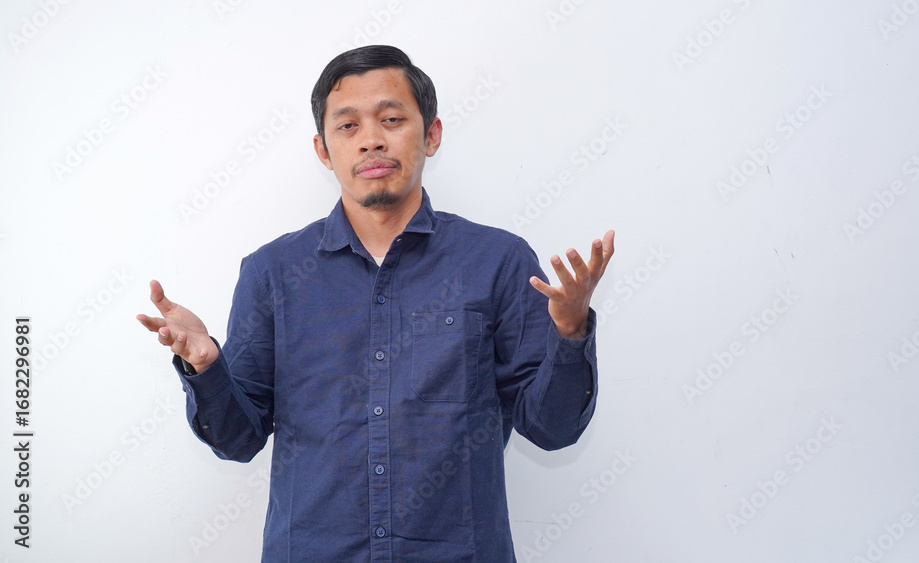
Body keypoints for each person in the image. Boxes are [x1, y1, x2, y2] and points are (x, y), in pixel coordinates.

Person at [136, 45, 615, 562]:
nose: (371, 140)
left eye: (392, 119)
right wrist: (207, 367)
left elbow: (552, 429)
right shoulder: (272, 273)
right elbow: (237, 440)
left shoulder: (497, 262)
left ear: (431, 134)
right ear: (323, 150)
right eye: (348, 126)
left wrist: (570, 333)